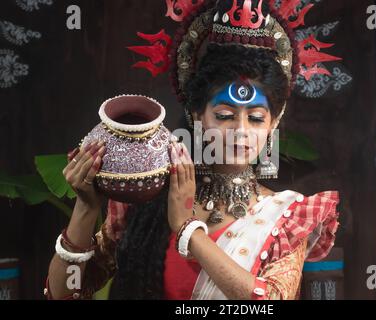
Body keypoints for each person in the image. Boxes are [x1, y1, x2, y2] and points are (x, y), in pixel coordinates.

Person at [46, 0, 342, 300]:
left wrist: (188, 230)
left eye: (255, 118)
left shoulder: (286, 216)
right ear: (197, 116)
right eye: (225, 116)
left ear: (272, 124)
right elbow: (64, 295)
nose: (241, 130)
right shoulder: (150, 200)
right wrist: (86, 208)